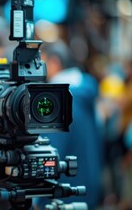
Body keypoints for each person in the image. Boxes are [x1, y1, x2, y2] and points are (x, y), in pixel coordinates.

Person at [36, 40, 104, 209]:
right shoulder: (86, 92)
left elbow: (50, 154)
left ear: (54, 63)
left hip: (61, 196)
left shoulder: (56, 101)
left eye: (40, 64)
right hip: (88, 189)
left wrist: (36, 198)